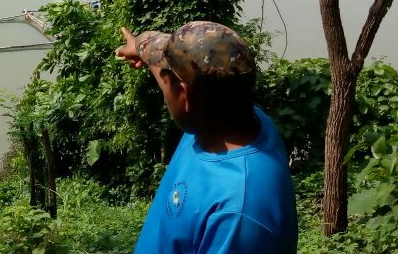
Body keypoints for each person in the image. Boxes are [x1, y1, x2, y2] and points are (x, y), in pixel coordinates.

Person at [115, 21, 297, 253]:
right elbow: (167, 71)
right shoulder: (237, 117)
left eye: (167, 81)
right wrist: (140, 46)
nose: (162, 84)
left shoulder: (237, 214)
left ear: (186, 96)